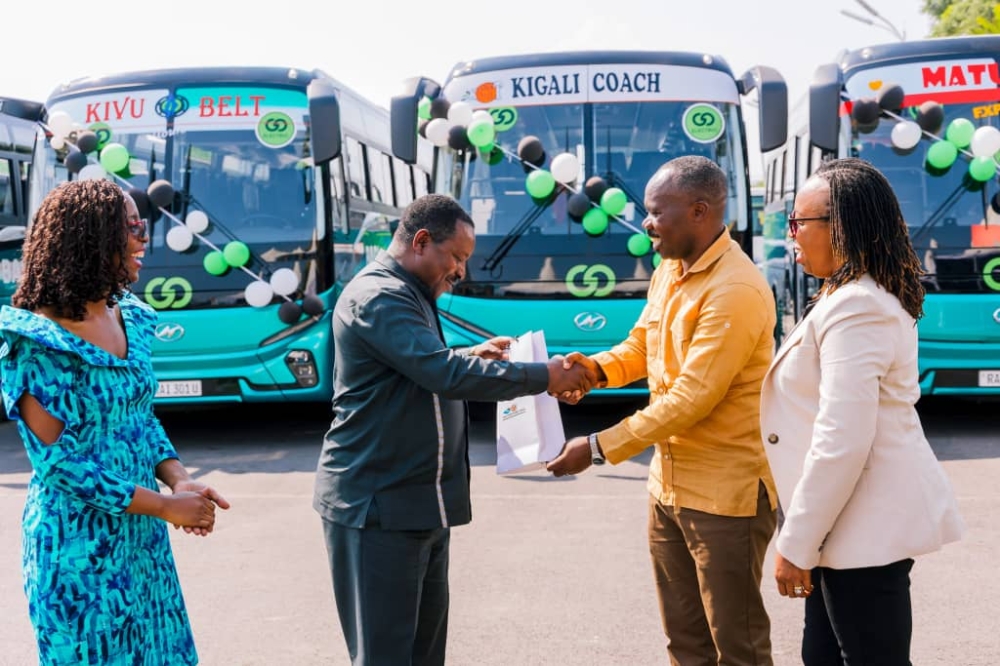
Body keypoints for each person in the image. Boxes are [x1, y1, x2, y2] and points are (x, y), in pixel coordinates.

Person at [312, 193, 595, 666]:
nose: (462, 271)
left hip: (419, 506)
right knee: (385, 656)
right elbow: (440, 374)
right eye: (458, 257)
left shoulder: (409, 292)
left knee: (424, 654)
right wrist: (544, 376)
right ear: (421, 241)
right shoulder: (379, 296)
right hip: (376, 510)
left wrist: (470, 356)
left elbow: (420, 367)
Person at [547, 155, 779, 666]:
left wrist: (597, 448)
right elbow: (642, 346)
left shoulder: (734, 290)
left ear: (699, 211)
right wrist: (590, 370)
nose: (645, 223)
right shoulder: (671, 269)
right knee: (685, 644)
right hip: (667, 488)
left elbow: (692, 398)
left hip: (725, 498)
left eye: (656, 212)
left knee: (737, 648)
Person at [0, 179, 229, 665]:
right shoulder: (34, 343)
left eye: (142, 225)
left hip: (141, 540)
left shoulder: (132, 319)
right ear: (87, 237)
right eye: (130, 227)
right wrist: (165, 507)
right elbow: (61, 465)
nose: (143, 238)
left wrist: (179, 479)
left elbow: (139, 418)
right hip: (77, 550)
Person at [760, 157, 964, 666]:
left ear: (842, 228)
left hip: (862, 532)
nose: (792, 236)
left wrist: (797, 543)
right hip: (845, 528)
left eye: (799, 223)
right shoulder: (845, 295)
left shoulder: (857, 306)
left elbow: (842, 438)